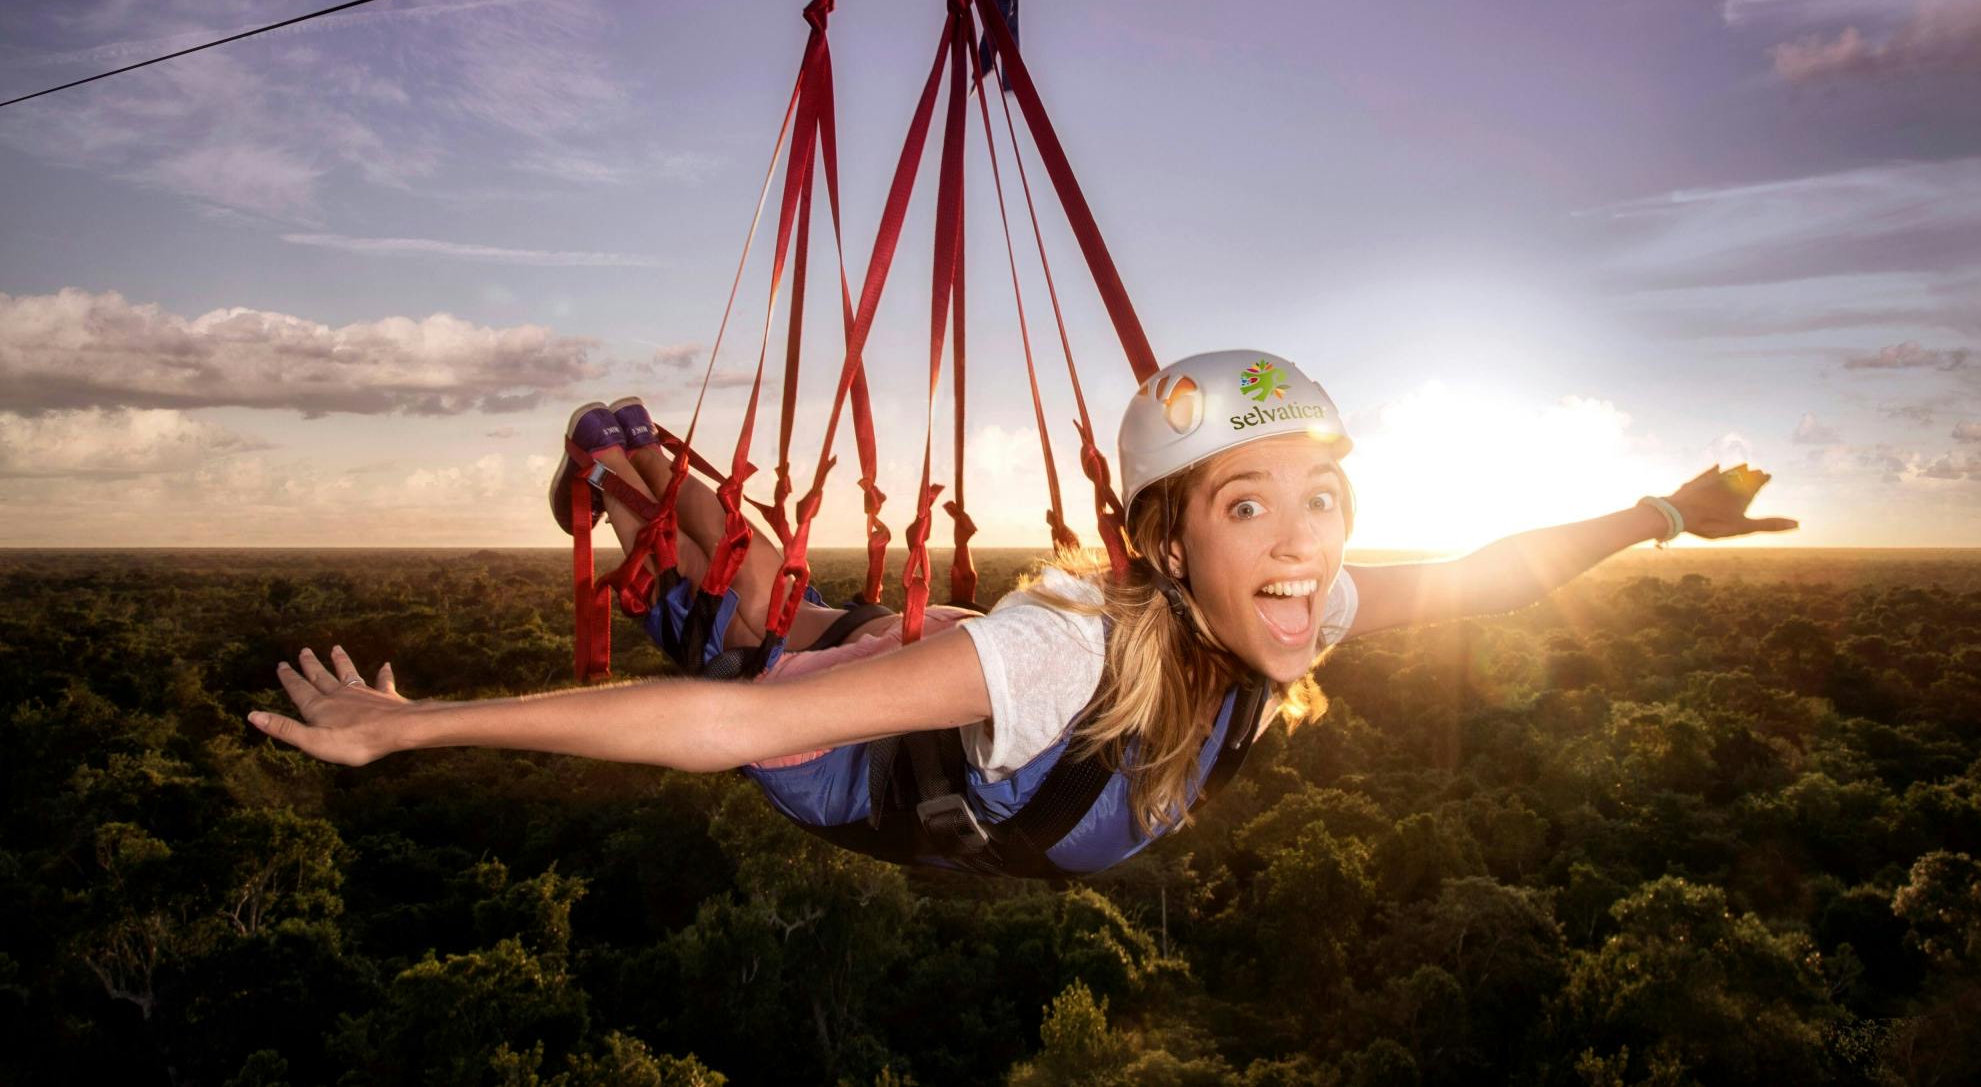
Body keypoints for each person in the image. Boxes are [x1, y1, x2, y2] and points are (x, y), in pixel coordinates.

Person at [247, 350, 1797, 874]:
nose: (1301, 543)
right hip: (853, 764)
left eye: (1315, 499)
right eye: (1244, 505)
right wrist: (425, 724)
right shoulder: (1065, 651)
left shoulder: (1300, 613)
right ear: (1172, 550)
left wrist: (1662, 513)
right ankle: (626, 475)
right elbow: (735, 728)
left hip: (944, 719)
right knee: (748, 631)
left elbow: (1486, 576)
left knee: (814, 604)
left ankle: (643, 474)